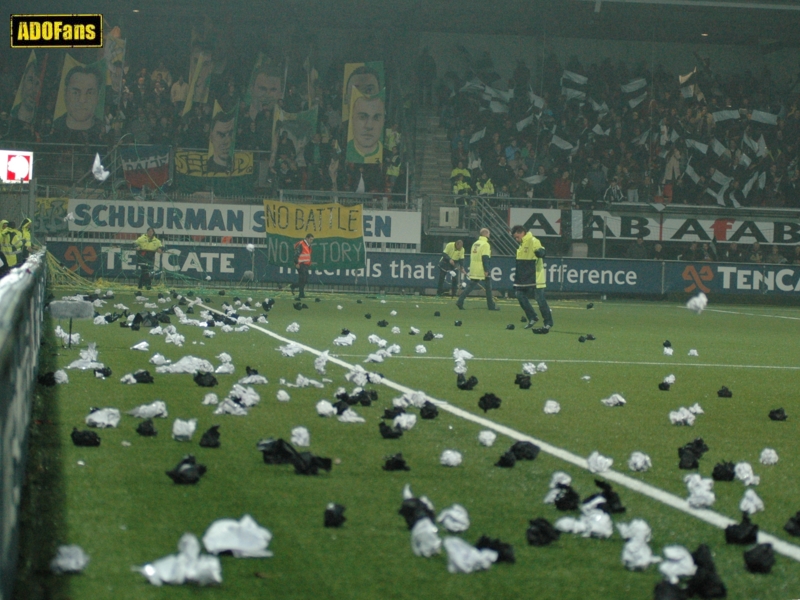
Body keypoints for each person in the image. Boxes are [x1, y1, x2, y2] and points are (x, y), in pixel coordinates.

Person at [51, 65, 102, 139]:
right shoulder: (52, 131)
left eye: (90, 93)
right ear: (65, 93)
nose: (82, 100)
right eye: (76, 92)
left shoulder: (104, 133)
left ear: (98, 96)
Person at [456, 228, 499, 311]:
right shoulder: (485, 244)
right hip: (481, 269)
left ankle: (460, 301)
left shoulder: (475, 244)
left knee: (470, 286)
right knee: (488, 288)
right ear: (486, 234)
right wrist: (486, 270)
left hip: (474, 268)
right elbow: (485, 258)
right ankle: (491, 306)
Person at [511, 225, 542, 329]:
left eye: (517, 237)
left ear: (521, 233)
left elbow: (540, 250)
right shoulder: (522, 244)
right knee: (519, 294)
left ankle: (548, 323)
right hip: (523, 276)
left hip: (532, 276)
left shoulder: (533, 240)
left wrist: (542, 252)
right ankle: (533, 317)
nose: (516, 239)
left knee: (540, 299)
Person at [346, 94, 385, 163]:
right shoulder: (344, 150)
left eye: (376, 118)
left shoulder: (386, 153)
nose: (369, 126)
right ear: (352, 119)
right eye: (362, 117)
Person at [291, 233, 314, 299]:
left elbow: (307, 255)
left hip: (306, 264)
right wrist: (296, 263)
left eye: (312, 240)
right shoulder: (301, 244)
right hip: (301, 264)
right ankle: (301, 294)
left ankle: (294, 286)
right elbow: (296, 254)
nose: (311, 241)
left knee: (305, 280)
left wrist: (309, 262)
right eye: (310, 239)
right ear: (307, 238)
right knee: (303, 279)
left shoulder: (308, 245)